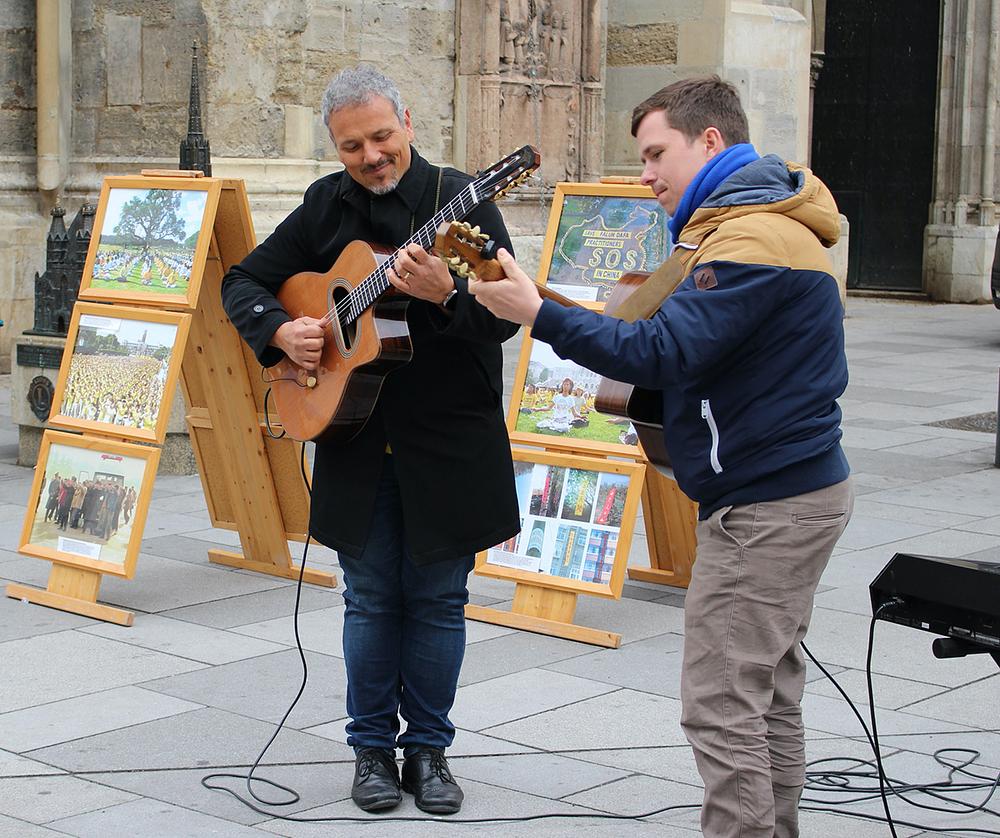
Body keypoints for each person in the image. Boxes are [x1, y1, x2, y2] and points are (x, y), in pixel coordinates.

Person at [468, 75, 854, 838]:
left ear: (710, 140)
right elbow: (652, 325)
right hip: (785, 493)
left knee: (720, 706)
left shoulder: (748, 237)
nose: (645, 175)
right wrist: (532, 297)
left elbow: (664, 349)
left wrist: (539, 314)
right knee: (765, 695)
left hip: (767, 506)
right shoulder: (740, 222)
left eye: (654, 154)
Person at [220, 65, 520, 816]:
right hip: (357, 438)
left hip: (449, 438)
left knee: (440, 600)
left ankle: (429, 752)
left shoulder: (464, 201)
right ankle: (370, 755)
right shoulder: (326, 204)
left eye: (381, 137)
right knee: (370, 598)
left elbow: (508, 314)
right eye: (353, 146)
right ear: (337, 148)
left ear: (408, 123)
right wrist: (282, 330)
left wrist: (445, 293)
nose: (371, 156)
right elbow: (243, 281)